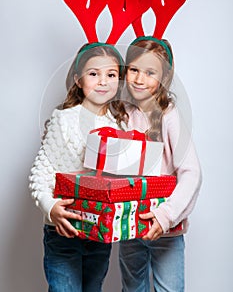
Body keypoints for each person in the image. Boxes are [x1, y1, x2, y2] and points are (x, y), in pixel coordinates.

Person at [29, 43, 128, 292]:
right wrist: (51, 208)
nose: (103, 81)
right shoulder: (64, 119)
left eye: (111, 74)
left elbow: (120, 179)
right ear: (78, 79)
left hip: (98, 232)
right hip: (64, 231)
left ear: (120, 80)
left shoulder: (120, 125)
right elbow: (41, 173)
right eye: (94, 74)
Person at [119, 36, 202, 292]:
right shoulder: (122, 114)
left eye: (149, 72)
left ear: (164, 78)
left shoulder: (169, 116)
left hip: (166, 229)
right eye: (134, 69)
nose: (139, 79)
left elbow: (192, 173)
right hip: (131, 227)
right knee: (133, 289)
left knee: (169, 289)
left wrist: (165, 216)